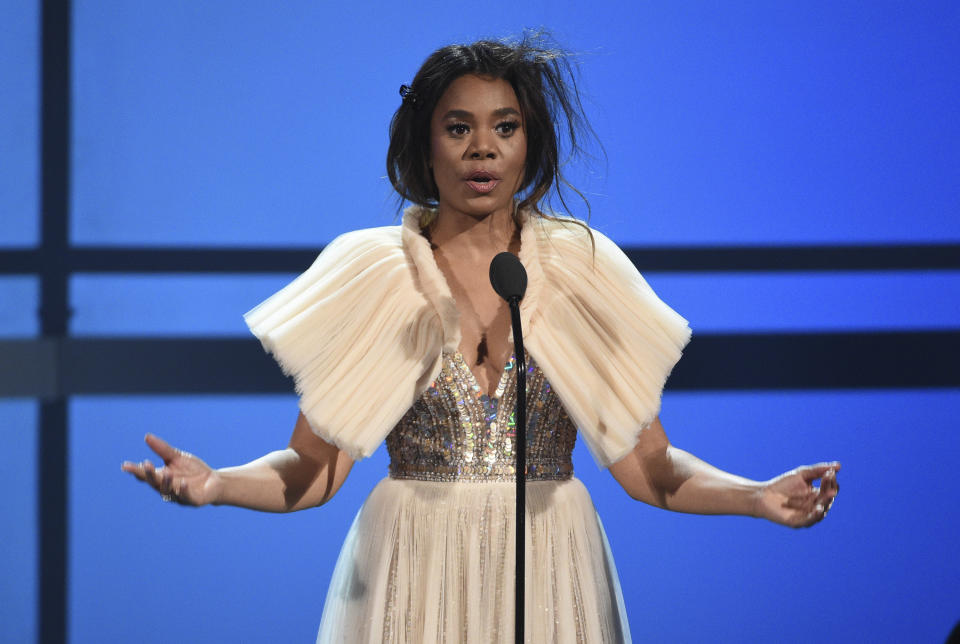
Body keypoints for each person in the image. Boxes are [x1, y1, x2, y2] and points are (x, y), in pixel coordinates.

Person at [123, 33, 840, 643]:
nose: (483, 149)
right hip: (412, 569)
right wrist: (215, 484)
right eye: (458, 127)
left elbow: (648, 470)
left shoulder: (579, 268)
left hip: (552, 568)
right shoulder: (377, 274)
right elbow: (312, 473)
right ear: (425, 142)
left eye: (506, 127)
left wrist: (755, 495)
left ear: (530, 143)